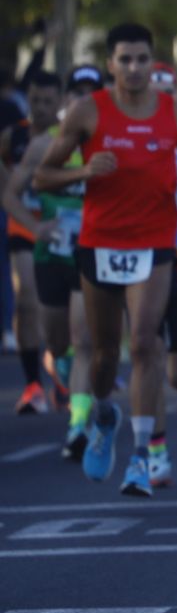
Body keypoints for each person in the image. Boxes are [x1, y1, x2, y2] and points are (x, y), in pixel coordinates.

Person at [34, 23, 177, 495]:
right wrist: (85, 170)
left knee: (147, 341)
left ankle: (140, 457)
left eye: (142, 59)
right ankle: (104, 416)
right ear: (111, 64)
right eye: (125, 59)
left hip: (154, 243)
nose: (134, 68)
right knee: (106, 351)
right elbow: (42, 177)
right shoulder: (88, 112)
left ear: (153, 62)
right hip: (100, 243)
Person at [4, 69, 97, 444]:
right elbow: (10, 193)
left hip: (88, 252)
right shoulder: (43, 146)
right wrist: (33, 225)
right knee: (57, 340)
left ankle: (77, 424)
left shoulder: (102, 143)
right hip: (50, 254)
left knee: (83, 337)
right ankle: (56, 363)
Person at [4, 71, 61, 414]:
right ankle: (32, 384)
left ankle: (62, 368)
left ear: (60, 102)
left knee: (57, 310)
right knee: (26, 298)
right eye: (35, 100)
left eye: (47, 101)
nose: (40, 108)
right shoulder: (17, 136)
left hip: (61, 227)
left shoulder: (68, 136)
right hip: (25, 227)